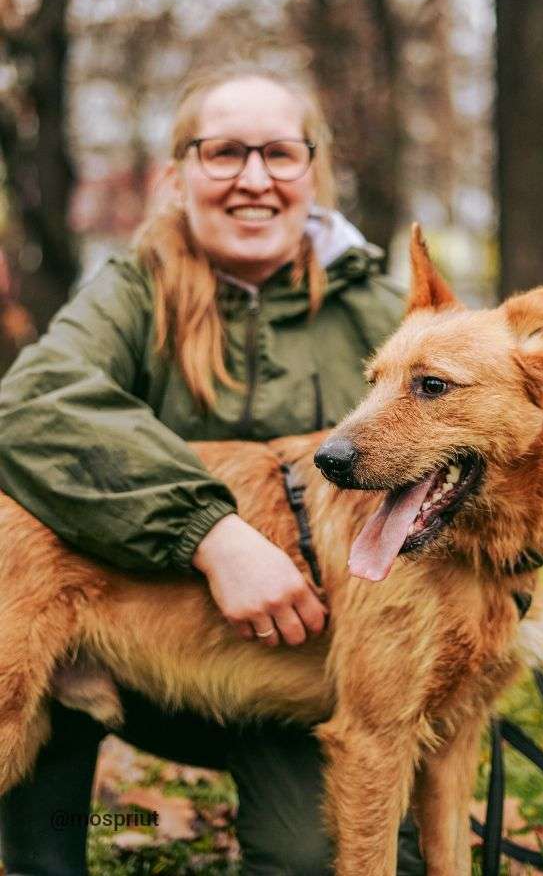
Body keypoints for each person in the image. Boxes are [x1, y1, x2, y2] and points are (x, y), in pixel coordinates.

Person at [0, 65, 425, 875]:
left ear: (313, 173)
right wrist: (213, 536)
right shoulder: (132, 292)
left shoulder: (382, 313)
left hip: (307, 666)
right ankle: (42, 859)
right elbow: (31, 406)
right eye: (225, 152)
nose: (254, 179)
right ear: (177, 176)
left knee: (315, 861)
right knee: (24, 598)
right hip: (140, 642)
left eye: (279, 154)